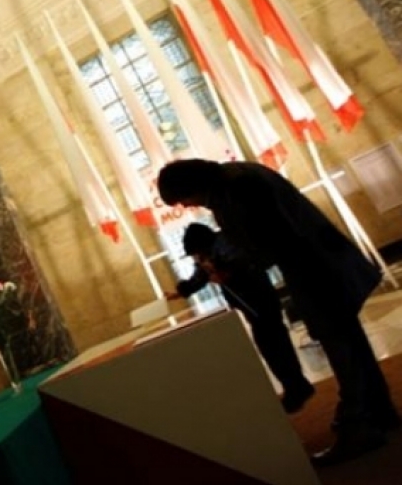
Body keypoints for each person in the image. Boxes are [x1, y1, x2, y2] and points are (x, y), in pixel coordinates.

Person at [157, 159, 398, 467]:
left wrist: (238, 260)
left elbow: (273, 237)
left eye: (184, 198)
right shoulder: (238, 176)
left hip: (313, 268)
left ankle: (359, 424)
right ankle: (379, 411)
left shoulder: (236, 186)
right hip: (319, 261)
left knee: (341, 346)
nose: (189, 206)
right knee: (351, 340)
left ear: (192, 185)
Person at [166, 222, 314, 413]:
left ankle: (297, 388)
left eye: (195, 252)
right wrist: (182, 291)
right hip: (249, 304)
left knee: (275, 345)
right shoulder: (208, 253)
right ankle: (296, 386)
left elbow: (243, 266)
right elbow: (200, 276)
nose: (196, 257)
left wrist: (223, 273)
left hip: (259, 299)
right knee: (272, 346)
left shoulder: (226, 244)